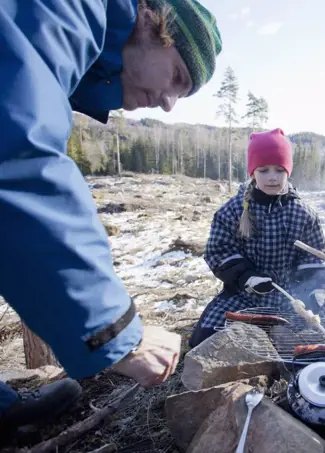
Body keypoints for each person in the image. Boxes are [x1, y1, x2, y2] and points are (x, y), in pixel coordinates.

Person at [0, 0, 221, 431]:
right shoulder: (70, 8)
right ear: (151, 20)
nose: (169, 103)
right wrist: (121, 335)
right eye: (177, 77)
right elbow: (15, 154)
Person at [189, 129, 325, 348]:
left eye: (279, 170)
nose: (272, 177)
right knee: (205, 339)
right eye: (263, 170)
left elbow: (314, 257)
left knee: (313, 339)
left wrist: (314, 288)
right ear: (253, 172)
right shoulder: (233, 210)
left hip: (290, 298)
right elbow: (218, 251)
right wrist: (247, 277)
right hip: (244, 295)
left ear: (288, 172)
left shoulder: (303, 213)